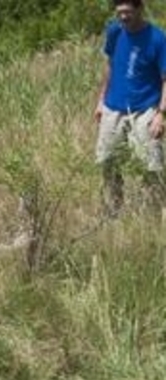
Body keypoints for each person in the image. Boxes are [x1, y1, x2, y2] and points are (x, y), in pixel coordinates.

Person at [94, 0, 166, 217]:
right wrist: (100, 101)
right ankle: (113, 211)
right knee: (106, 160)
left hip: (145, 109)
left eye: (128, 12)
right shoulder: (114, 32)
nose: (123, 17)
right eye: (120, 13)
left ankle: (153, 212)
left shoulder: (157, 39)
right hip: (113, 108)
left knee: (150, 165)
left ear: (140, 9)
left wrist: (160, 115)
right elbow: (110, 66)